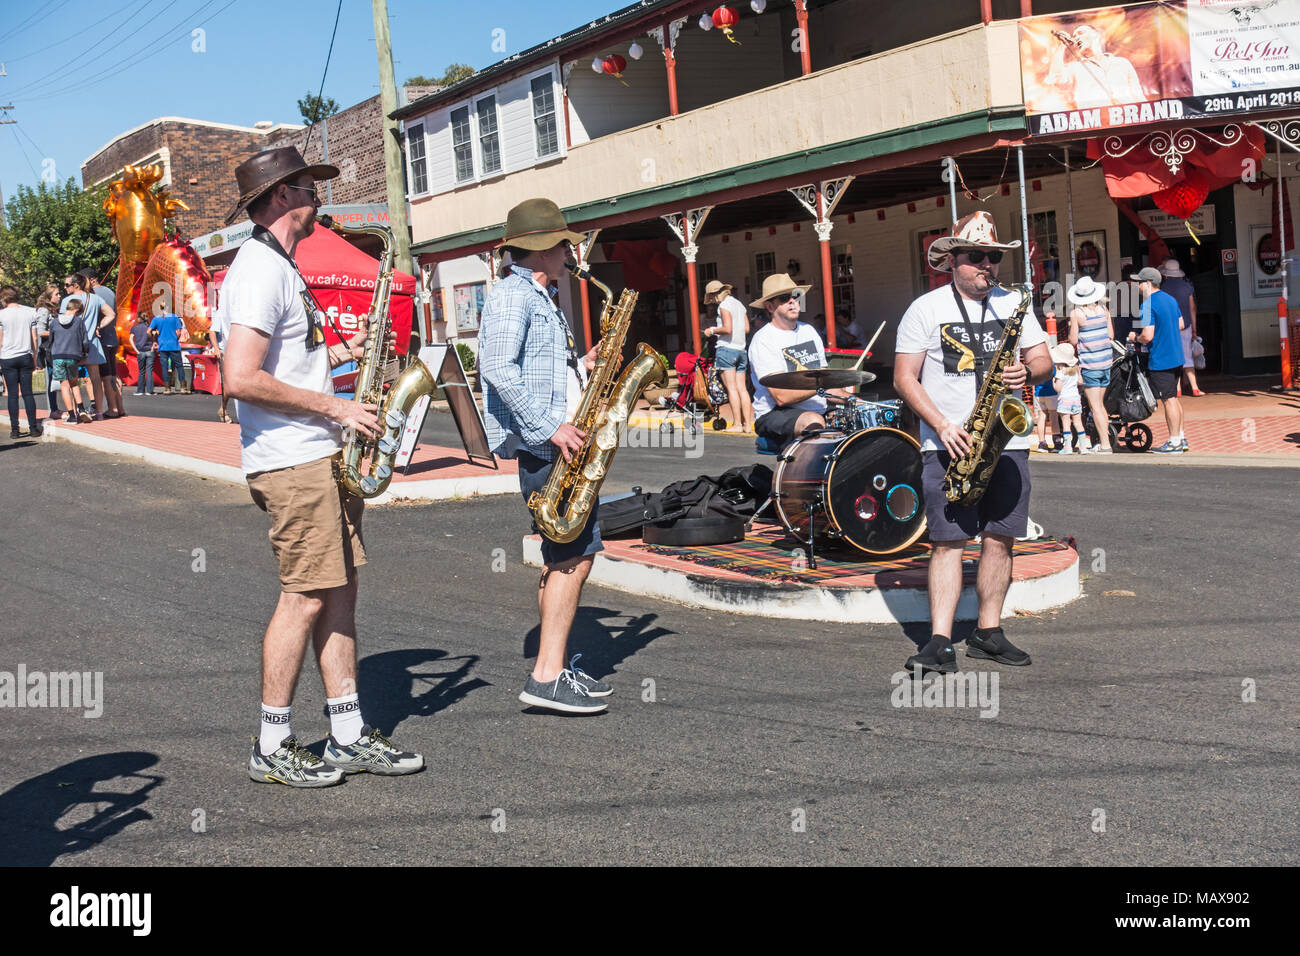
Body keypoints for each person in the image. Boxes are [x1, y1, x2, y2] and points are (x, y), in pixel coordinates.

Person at [221, 145, 423, 787]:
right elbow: (239, 377)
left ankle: (347, 733)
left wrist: (349, 353)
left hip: (319, 456)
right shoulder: (259, 269)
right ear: (282, 196)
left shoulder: (281, 265)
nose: (319, 199)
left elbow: (288, 363)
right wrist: (335, 407)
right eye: (310, 187)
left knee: (338, 591)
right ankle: (271, 742)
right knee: (304, 596)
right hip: (293, 461)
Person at [893, 210, 1052, 675]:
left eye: (994, 258)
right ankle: (939, 640)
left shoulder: (1014, 303)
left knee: (1001, 537)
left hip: (1007, 441)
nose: (988, 265)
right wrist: (941, 425)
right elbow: (904, 378)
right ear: (952, 261)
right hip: (950, 442)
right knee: (947, 542)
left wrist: (1029, 371)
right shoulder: (926, 309)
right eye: (978, 257)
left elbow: (1043, 361)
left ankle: (988, 632)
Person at [480, 197, 610, 715]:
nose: (568, 251)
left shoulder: (538, 294)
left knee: (565, 555)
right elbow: (498, 368)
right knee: (573, 557)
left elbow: (535, 370)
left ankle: (551, 665)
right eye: (562, 243)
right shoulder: (514, 296)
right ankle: (546, 675)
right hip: (547, 444)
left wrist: (584, 364)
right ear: (540, 249)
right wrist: (550, 427)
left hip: (556, 439)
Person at [747, 273, 847, 448]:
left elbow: (824, 380)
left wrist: (854, 400)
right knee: (813, 421)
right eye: (785, 298)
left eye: (796, 295)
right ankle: (806, 473)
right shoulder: (763, 340)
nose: (793, 301)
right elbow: (781, 397)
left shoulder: (809, 331)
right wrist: (822, 385)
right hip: (774, 413)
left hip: (817, 409)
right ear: (770, 307)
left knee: (854, 418)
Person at [1129, 266, 1187, 453]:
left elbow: (1147, 335)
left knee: (1168, 400)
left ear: (1147, 284)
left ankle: (1174, 441)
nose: (1137, 285)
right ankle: (1181, 437)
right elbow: (1181, 324)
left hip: (1161, 358)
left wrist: (1134, 338)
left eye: (1139, 282)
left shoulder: (1147, 304)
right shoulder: (1170, 299)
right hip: (1177, 356)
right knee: (1174, 399)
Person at [1044, 22, 1144, 109]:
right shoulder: (1075, 68)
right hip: (1097, 125)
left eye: (1080, 33)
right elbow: (1057, 80)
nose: (1076, 38)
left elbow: (1138, 95)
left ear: (1096, 35)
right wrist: (1061, 46)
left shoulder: (1122, 63)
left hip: (1129, 122)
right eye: (1074, 37)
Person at [1067, 274, 1115, 453]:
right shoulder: (1104, 309)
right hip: (1105, 362)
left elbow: (1072, 340)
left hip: (1090, 365)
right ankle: (1105, 441)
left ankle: (1105, 444)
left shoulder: (1077, 313)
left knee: (1095, 407)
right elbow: (1111, 335)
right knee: (1100, 405)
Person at [702, 279, 754, 434]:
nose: (711, 302)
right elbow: (746, 329)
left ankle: (737, 424)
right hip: (741, 349)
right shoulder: (739, 304)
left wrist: (711, 330)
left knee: (731, 389)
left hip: (726, 350)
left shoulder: (724, 305)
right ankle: (747, 425)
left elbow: (727, 328)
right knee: (742, 389)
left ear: (715, 295)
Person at [61, 274, 115, 420]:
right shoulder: (95, 298)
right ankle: (98, 412)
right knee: (95, 380)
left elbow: (63, 322)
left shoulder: (67, 301)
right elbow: (111, 314)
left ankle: (77, 411)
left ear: (76, 285)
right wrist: (99, 326)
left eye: (68, 285)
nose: (66, 287)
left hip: (72, 346)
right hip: (92, 343)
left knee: (72, 381)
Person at [0, 286, 43, 439]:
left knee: (12, 394)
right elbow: (35, 338)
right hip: (25, 355)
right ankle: (33, 428)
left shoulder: (1, 315)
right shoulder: (30, 312)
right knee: (27, 393)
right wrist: (34, 355)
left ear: (4, 298)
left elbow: (0, 338)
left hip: (7, 356)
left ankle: (15, 430)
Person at [1158, 258, 1204, 397]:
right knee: (1187, 356)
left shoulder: (1162, 288)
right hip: (1186, 326)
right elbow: (1192, 308)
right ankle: (1195, 388)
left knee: (1174, 357)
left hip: (1168, 328)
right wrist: (1194, 329)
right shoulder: (1187, 286)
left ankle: (1177, 389)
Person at [83, 268, 124, 416]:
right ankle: (120, 408)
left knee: (105, 376)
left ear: (91, 280)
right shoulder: (109, 291)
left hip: (102, 339)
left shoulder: (94, 295)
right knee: (113, 375)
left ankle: (112, 409)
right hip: (112, 337)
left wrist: (98, 327)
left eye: (84, 280)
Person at [48, 298, 93, 423]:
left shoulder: (55, 322)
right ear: (77, 310)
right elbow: (85, 340)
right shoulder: (78, 322)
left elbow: (51, 339)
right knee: (74, 383)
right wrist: (85, 354)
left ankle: (72, 416)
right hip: (73, 356)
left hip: (58, 356)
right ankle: (82, 409)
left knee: (64, 385)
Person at [1051, 342, 1090, 453]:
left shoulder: (1060, 372)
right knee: (1078, 423)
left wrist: (1053, 382)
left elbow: (1058, 388)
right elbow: (1080, 382)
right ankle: (1083, 447)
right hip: (1075, 399)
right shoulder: (1076, 370)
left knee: (1066, 423)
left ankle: (1067, 447)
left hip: (1064, 399)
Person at [34, 286, 62, 417]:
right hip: (48, 350)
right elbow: (40, 332)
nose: (59, 296)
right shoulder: (43, 310)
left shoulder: (54, 310)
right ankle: (53, 409)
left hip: (56, 347)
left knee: (57, 379)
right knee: (51, 379)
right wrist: (59, 333)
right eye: (57, 294)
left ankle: (55, 408)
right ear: (49, 297)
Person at [149, 310, 187, 394]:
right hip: (174, 345)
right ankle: (183, 388)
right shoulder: (174, 317)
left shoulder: (156, 319)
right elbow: (179, 331)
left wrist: (154, 341)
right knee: (179, 366)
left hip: (162, 346)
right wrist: (174, 339)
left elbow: (148, 331)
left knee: (164, 367)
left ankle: (167, 389)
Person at [128, 314, 156, 396]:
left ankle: (140, 390)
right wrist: (153, 346)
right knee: (149, 371)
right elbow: (154, 337)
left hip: (140, 351)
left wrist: (136, 350)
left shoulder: (135, 328)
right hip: (149, 351)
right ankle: (149, 391)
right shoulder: (150, 327)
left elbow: (130, 339)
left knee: (141, 371)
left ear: (139, 318)